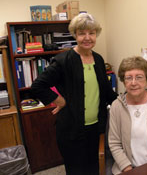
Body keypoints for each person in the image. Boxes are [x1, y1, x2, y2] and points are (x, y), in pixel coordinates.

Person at [31, 13, 117, 175]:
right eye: (82, 33)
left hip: (95, 128)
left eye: (91, 33)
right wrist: (59, 100)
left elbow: (106, 91)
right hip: (71, 130)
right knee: (76, 171)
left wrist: (126, 102)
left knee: (93, 168)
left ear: (96, 35)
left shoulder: (98, 60)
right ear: (75, 35)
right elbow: (38, 86)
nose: (87, 37)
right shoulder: (63, 60)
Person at [108, 56, 147, 175]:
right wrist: (128, 169)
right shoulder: (116, 106)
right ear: (123, 81)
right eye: (128, 78)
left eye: (139, 77)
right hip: (126, 168)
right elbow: (114, 143)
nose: (133, 83)